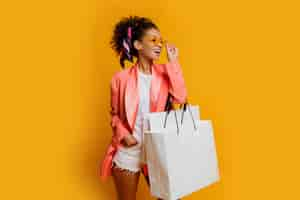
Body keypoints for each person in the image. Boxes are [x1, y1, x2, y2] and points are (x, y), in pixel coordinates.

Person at [100, 15, 187, 200]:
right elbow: (115, 115)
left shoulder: (166, 73)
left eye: (161, 41)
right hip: (129, 150)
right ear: (138, 45)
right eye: (153, 40)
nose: (159, 45)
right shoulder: (120, 78)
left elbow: (181, 98)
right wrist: (124, 135)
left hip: (157, 150)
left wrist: (173, 63)